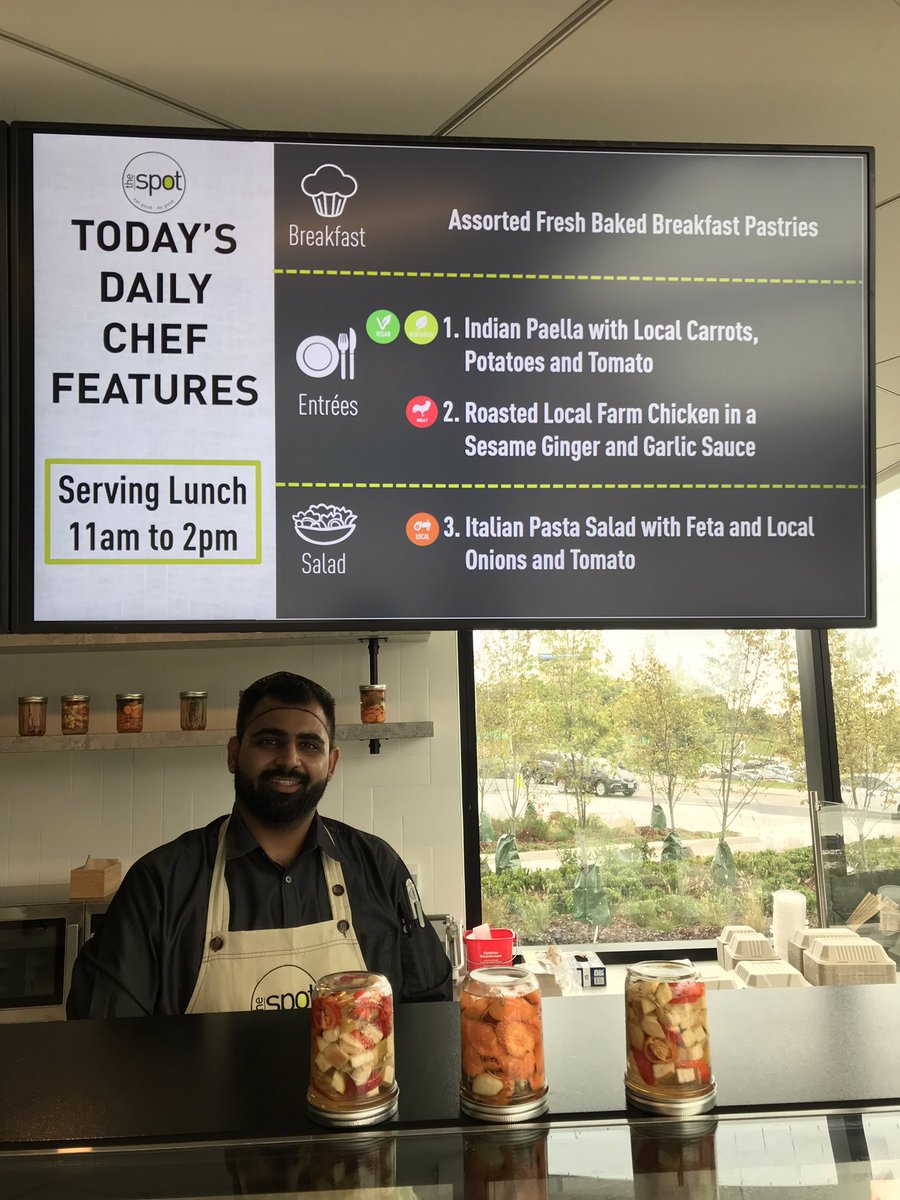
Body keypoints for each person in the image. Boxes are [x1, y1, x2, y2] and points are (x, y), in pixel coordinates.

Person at [68, 671, 451, 1017]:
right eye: (269, 741)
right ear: (234, 754)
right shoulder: (159, 885)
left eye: (310, 745)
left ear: (332, 763)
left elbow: (429, 1008)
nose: (289, 759)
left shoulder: (377, 867)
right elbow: (104, 1039)